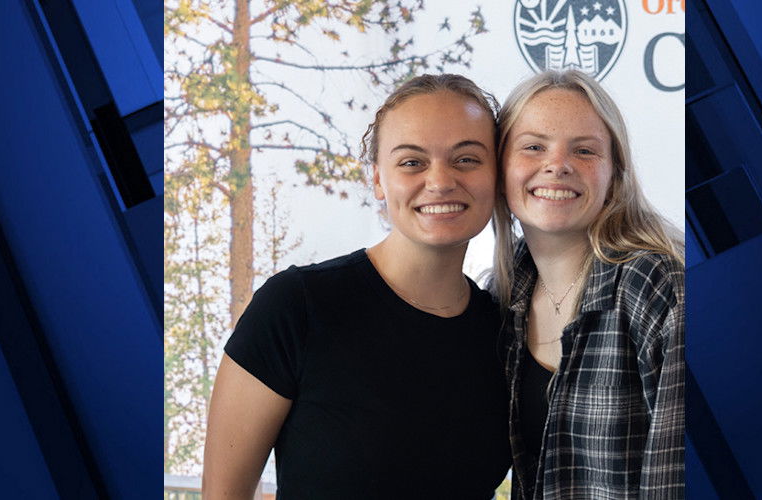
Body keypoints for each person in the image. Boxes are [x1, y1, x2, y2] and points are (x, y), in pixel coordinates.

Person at [202, 74, 511, 499]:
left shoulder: (503, 335)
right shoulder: (297, 307)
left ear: (497, 175)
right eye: (412, 162)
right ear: (379, 180)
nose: (440, 181)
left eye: (466, 159)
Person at [491, 70, 685, 499]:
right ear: (499, 168)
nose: (557, 165)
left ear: (615, 174)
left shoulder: (657, 285)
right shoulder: (504, 295)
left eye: (584, 150)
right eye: (534, 146)